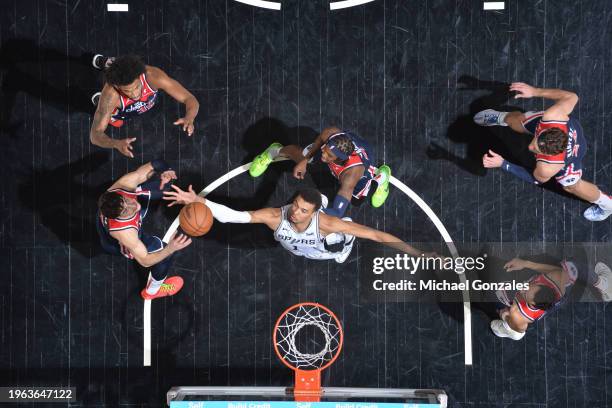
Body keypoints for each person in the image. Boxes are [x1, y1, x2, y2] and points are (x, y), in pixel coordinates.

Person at [163, 185, 428, 263]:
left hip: (322, 244)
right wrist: (198, 200)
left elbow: (377, 236)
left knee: (340, 238)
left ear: (313, 213)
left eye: (303, 210)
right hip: (301, 248)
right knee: (300, 243)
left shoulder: (326, 223)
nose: (295, 213)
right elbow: (236, 215)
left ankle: (342, 242)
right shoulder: (275, 216)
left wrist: (417, 253)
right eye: (296, 205)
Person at [474, 82, 612, 221]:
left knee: (572, 186)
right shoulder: (553, 116)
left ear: (548, 156)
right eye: (535, 143)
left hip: (572, 157)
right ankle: (499, 117)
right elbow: (571, 97)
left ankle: (608, 205)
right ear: (545, 131)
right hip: (570, 128)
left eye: (536, 150)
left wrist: (503, 163)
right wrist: (534, 91)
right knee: (519, 121)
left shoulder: (549, 167)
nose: (530, 147)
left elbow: (535, 179)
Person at [97, 159, 192, 299]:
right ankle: (152, 291)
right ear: (118, 217)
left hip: (106, 219)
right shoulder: (126, 234)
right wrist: (171, 248)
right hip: (117, 243)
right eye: (126, 211)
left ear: (120, 195)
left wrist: (167, 170)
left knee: (164, 186)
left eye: (127, 201)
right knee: (164, 255)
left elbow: (155, 164)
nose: (133, 206)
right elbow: (145, 261)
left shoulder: (123, 185)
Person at [247, 127, 391, 218]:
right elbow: (321, 140)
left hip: (362, 165)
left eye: (329, 155)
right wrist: (305, 160)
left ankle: (383, 177)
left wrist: (309, 211)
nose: (323, 155)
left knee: (357, 200)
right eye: (325, 149)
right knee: (302, 156)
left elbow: (337, 213)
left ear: (340, 159)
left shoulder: (352, 175)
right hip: (346, 146)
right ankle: (273, 151)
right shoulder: (331, 134)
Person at [89, 54, 200, 158]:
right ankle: (102, 93)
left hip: (143, 102)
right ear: (117, 87)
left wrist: (190, 117)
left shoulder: (154, 76)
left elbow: (189, 98)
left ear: (140, 77)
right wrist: (115, 143)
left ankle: (109, 63)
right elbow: (95, 134)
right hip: (119, 108)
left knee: (118, 67)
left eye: (137, 87)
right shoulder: (110, 95)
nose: (135, 94)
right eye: (127, 91)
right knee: (117, 123)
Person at [490, 257, 612, 340]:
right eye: (529, 286)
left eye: (525, 292)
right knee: (572, 266)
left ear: (531, 304)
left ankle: (508, 330)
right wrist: (525, 263)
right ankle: (603, 283)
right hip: (558, 294)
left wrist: (505, 316)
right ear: (543, 285)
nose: (522, 289)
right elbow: (556, 270)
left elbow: (522, 328)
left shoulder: (518, 313)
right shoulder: (555, 279)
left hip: (521, 316)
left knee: (495, 299)